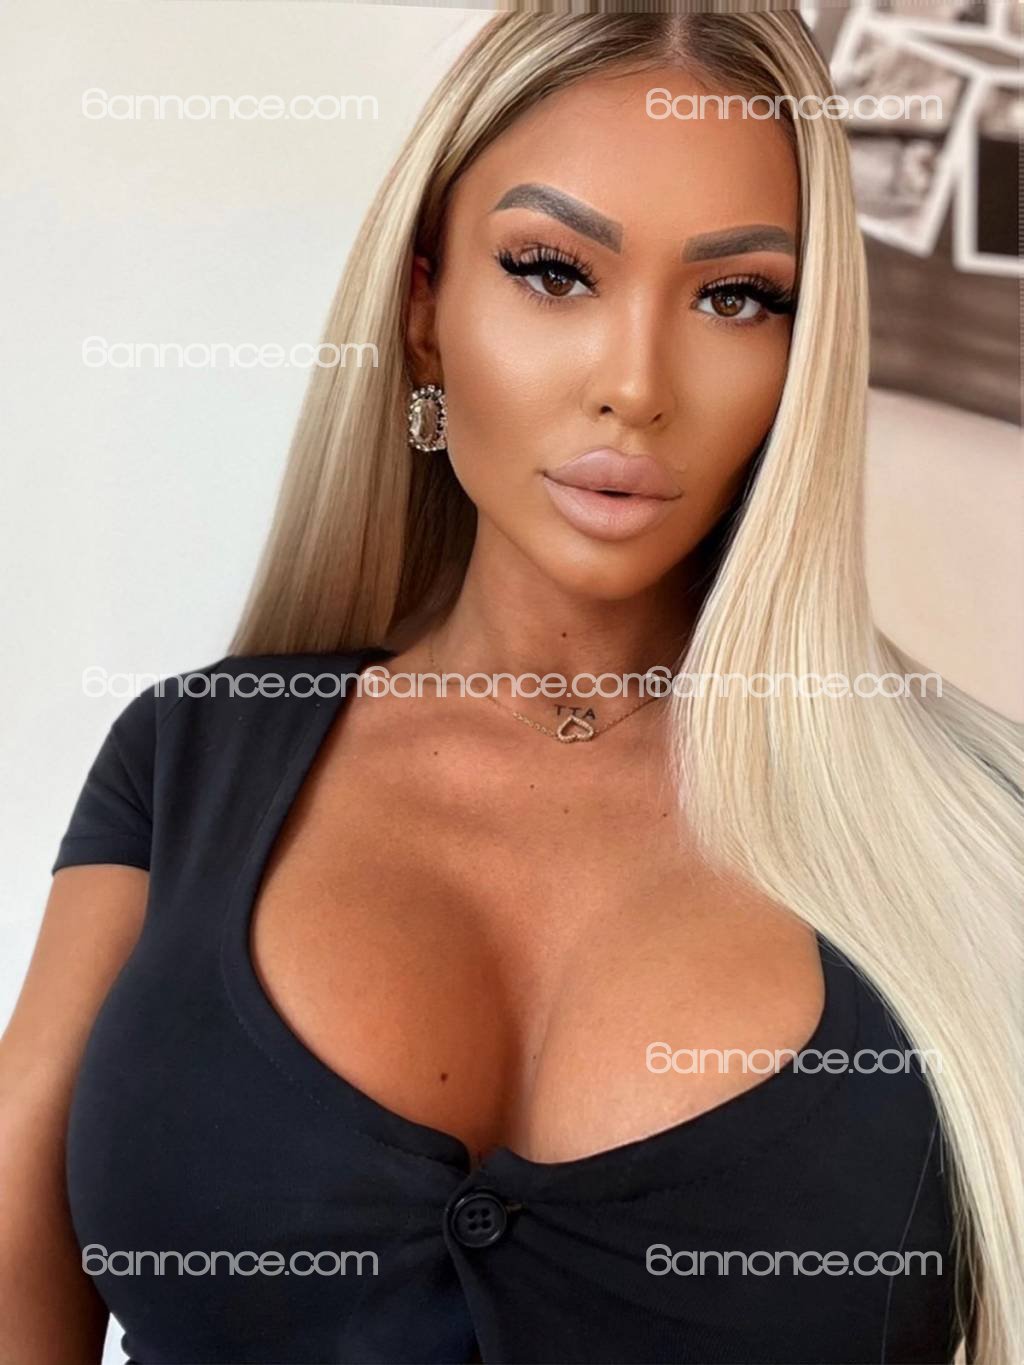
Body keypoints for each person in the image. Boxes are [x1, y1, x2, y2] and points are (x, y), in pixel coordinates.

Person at [2, 9, 1020, 1364]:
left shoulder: (982, 825)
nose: (635, 385)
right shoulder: (190, 758)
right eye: (553, 272)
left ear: (805, 353)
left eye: (736, 298)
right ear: (424, 311)